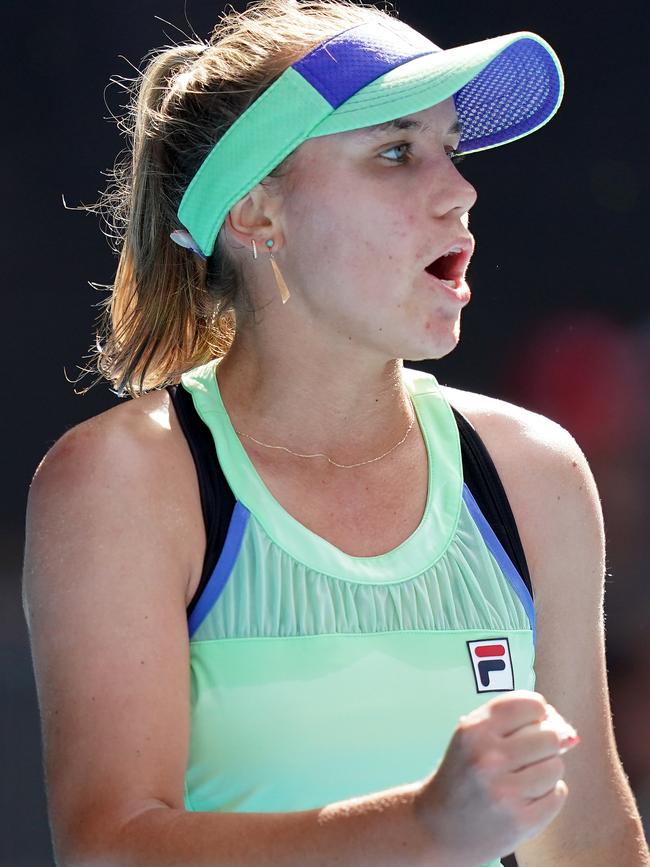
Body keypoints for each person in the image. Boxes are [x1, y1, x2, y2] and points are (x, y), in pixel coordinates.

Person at [22, 1, 649, 865]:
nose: (460, 190)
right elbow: (110, 847)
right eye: (396, 152)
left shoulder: (533, 468)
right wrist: (427, 829)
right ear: (255, 215)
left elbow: (586, 842)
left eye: (450, 148)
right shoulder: (119, 481)